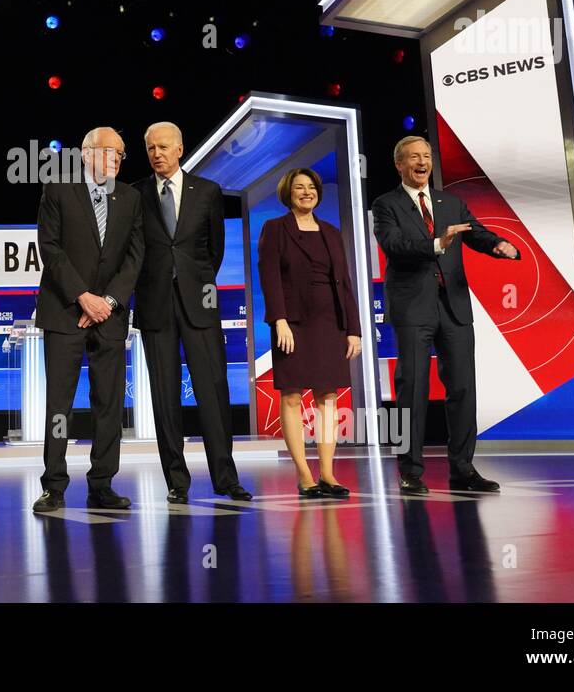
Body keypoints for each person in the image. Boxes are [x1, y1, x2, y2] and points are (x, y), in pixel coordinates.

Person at [371, 136, 519, 494]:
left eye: (426, 156)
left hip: (453, 306)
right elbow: (394, 245)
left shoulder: (449, 202)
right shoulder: (386, 204)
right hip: (412, 307)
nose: (422, 162)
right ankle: (410, 471)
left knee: (463, 388)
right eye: (414, 157)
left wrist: (497, 244)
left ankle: (464, 469)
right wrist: (437, 243)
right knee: (412, 389)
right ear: (400, 165)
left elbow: (475, 233)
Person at [133, 122, 250, 503]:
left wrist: (194, 284)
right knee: (165, 398)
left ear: (180, 148)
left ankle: (226, 478)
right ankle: (176, 482)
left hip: (200, 304)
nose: (157, 154)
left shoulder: (208, 192)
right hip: (154, 307)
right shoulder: (136, 195)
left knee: (213, 392)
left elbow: (214, 250)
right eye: (151, 148)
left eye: (164, 147)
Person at [32, 127, 145, 512]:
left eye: (120, 153)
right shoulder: (57, 189)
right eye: (108, 151)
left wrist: (108, 301)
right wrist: (83, 296)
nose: (115, 158)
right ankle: (54, 486)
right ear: (85, 154)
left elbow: (135, 256)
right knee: (59, 404)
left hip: (109, 316)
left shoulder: (130, 197)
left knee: (109, 402)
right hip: (65, 310)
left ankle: (102, 484)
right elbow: (50, 248)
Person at [257, 169, 362, 498]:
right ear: (289, 194)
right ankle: (304, 474)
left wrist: (353, 330)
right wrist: (279, 320)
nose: (306, 192)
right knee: (291, 395)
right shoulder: (275, 229)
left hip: (330, 322)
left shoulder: (331, 232)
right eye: (299, 188)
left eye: (311, 188)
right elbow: (270, 278)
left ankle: (328, 473)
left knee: (328, 396)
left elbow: (344, 282)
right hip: (293, 323)